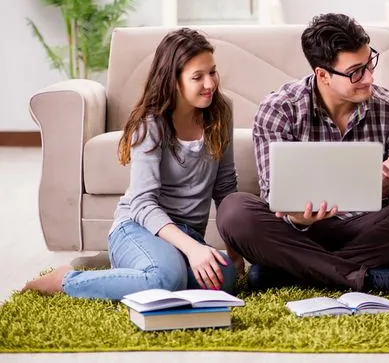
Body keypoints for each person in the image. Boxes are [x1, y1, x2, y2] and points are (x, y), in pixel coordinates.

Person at [215, 13, 389, 293]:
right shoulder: (279, 109)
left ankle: (287, 274)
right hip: (298, 233)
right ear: (322, 75)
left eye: (369, 63)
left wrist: (386, 189)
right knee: (234, 211)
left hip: (365, 230)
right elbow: (273, 197)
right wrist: (299, 217)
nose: (369, 78)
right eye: (356, 72)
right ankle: (366, 279)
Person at [22, 28, 241, 299]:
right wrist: (193, 250)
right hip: (138, 227)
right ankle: (66, 280)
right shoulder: (152, 124)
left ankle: (142, 272)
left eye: (212, 72)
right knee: (166, 279)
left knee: (224, 277)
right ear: (173, 81)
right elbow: (142, 203)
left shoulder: (221, 111)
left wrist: (233, 250)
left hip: (185, 234)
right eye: (198, 77)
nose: (210, 84)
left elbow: (225, 186)